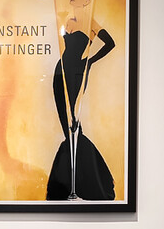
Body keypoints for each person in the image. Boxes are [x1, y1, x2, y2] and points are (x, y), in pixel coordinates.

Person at [46, 19, 116, 200]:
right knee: (67, 128)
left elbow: (110, 43)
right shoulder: (68, 19)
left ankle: (86, 185)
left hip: (77, 72)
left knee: (74, 123)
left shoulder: (90, 21)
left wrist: (90, 62)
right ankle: (69, 187)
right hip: (60, 71)